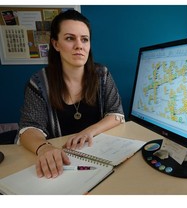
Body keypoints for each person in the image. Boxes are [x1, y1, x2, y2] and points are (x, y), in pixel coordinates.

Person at [16, 10, 125, 179]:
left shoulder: (102, 75)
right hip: (61, 164)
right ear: (56, 44)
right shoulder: (38, 83)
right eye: (69, 38)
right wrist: (44, 148)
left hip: (100, 158)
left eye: (84, 39)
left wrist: (89, 131)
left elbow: (116, 114)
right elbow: (29, 128)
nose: (79, 45)